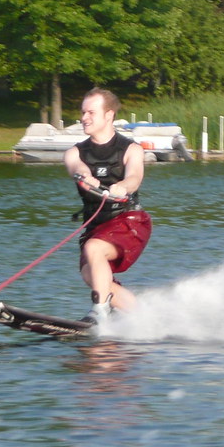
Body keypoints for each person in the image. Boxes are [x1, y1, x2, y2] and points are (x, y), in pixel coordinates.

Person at [63, 87, 152, 324]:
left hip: (129, 222)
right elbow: (77, 168)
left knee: (94, 249)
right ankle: (145, 318)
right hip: (96, 227)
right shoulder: (74, 153)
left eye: (91, 112)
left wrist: (123, 186)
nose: (84, 118)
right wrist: (85, 175)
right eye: (83, 112)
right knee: (91, 276)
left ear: (109, 115)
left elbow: (134, 177)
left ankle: (99, 312)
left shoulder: (131, 150)